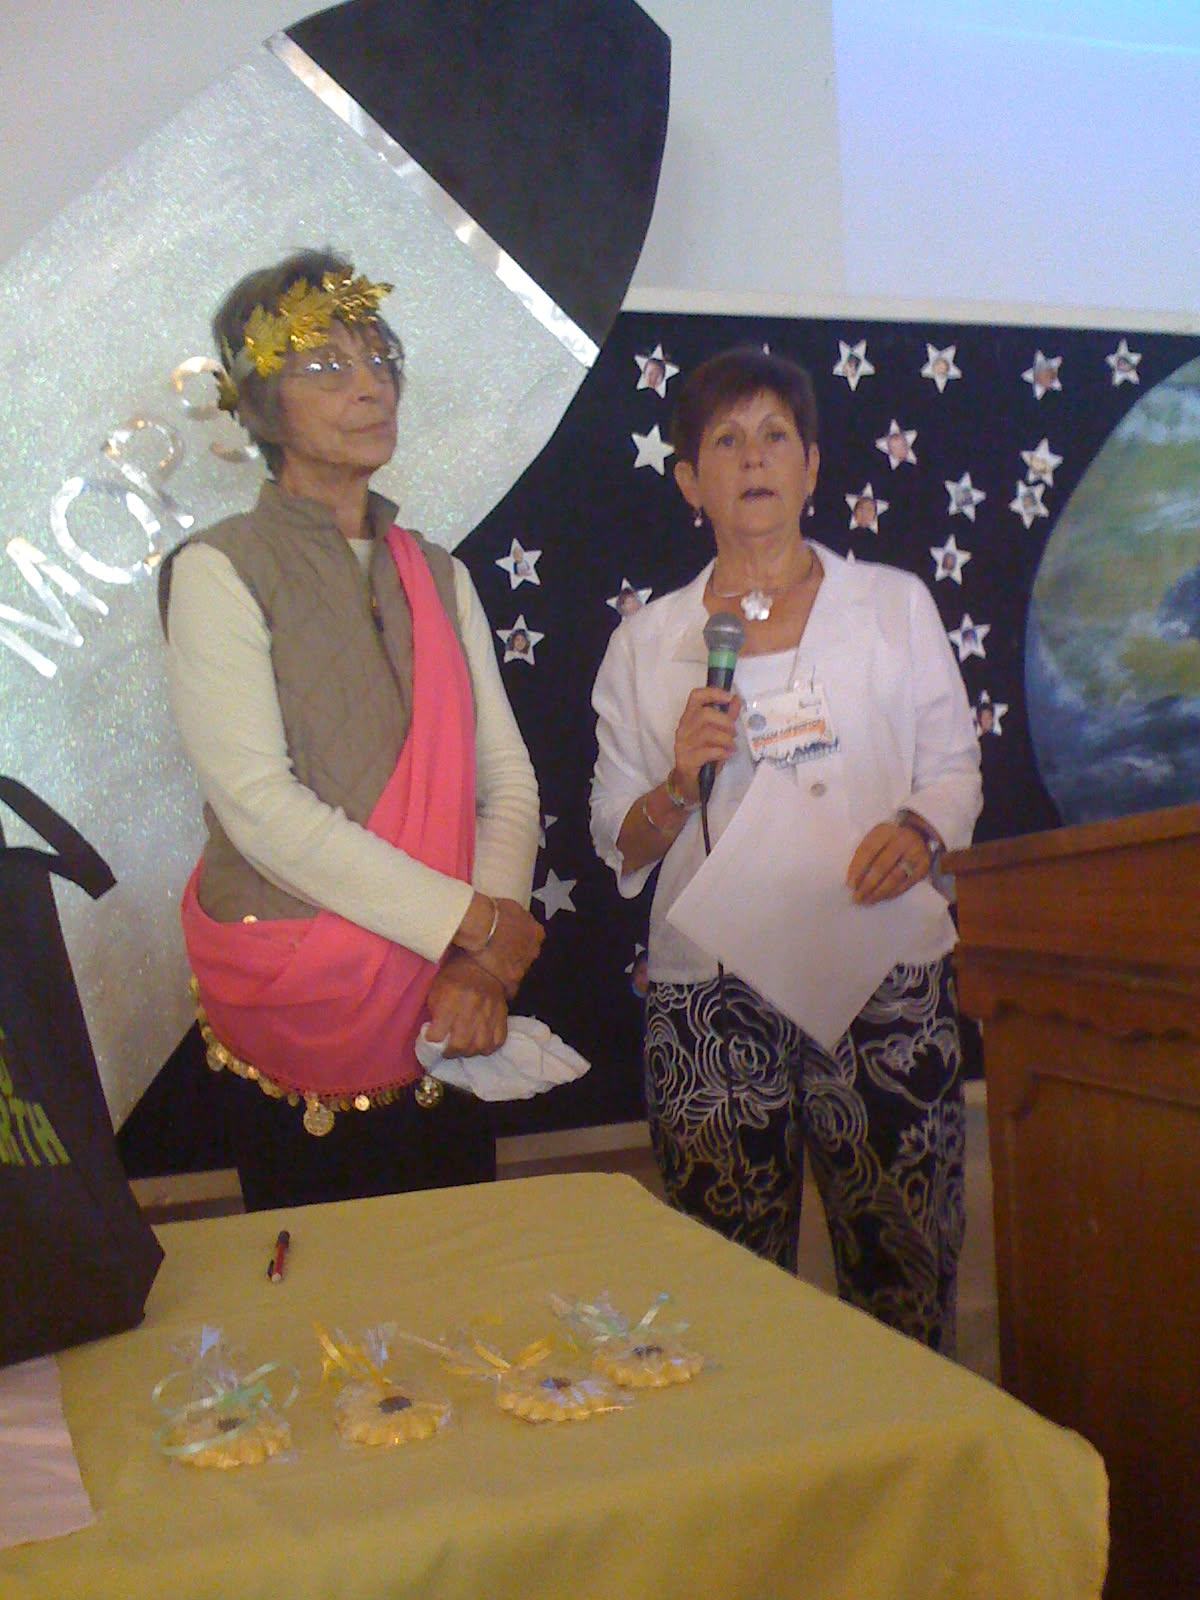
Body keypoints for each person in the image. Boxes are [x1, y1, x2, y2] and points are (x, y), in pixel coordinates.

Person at [590, 347, 982, 1352]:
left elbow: (953, 766)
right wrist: (676, 786)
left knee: (904, 1278)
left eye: (775, 436)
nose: (754, 458)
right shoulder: (649, 642)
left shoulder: (892, 603)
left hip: (880, 973)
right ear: (690, 481)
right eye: (727, 440)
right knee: (729, 1300)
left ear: (811, 465)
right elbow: (617, 835)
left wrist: (920, 831)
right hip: (712, 997)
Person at [159, 249, 543, 1209]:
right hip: (304, 999)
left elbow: (504, 781)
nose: (371, 385)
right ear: (261, 407)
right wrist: (478, 925)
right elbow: (260, 810)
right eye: (327, 365)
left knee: (461, 1274)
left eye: (380, 358)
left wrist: (481, 967)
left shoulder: (439, 573)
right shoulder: (219, 570)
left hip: (452, 1002)